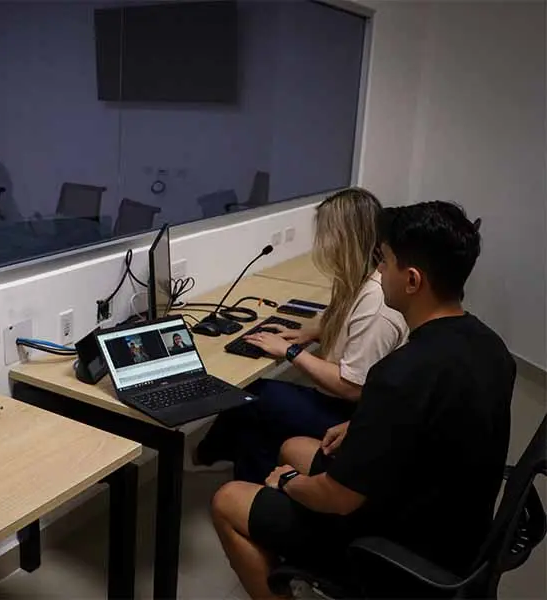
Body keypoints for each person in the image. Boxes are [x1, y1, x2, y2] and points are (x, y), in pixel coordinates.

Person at [210, 201, 515, 599]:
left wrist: (287, 482)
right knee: (293, 445)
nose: (379, 272)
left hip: (397, 548)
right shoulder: (491, 348)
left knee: (227, 500)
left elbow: (337, 499)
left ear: (412, 280)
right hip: (457, 528)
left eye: (385, 262)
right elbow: (442, 419)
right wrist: (361, 425)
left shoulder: (400, 374)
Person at [194, 188, 408, 482]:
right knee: (253, 401)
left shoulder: (375, 303)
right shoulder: (363, 280)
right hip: (346, 404)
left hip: (348, 415)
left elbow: (352, 386)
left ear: (343, 238)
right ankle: (228, 462)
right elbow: (354, 333)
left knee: (249, 397)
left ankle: (229, 472)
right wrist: (314, 332)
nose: (320, 243)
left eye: (325, 234)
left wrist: (290, 352)